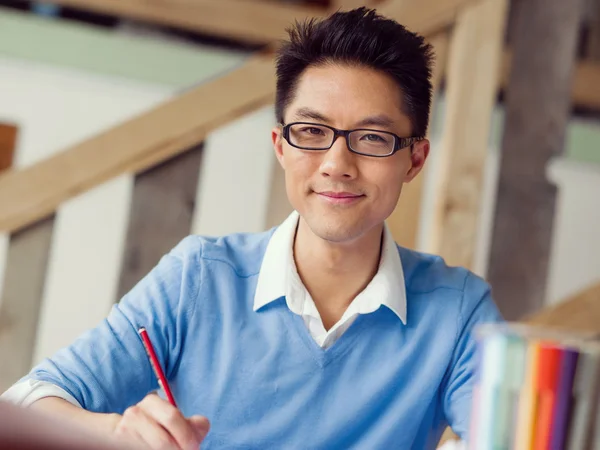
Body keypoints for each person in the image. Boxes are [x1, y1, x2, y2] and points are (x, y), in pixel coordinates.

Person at [1, 7, 502, 450]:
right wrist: (115, 434)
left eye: (371, 137)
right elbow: (24, 403)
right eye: (311, 131)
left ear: (414, 159)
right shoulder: (198, 277)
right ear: (281, 146)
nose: (336, 163)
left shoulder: (457, 311)